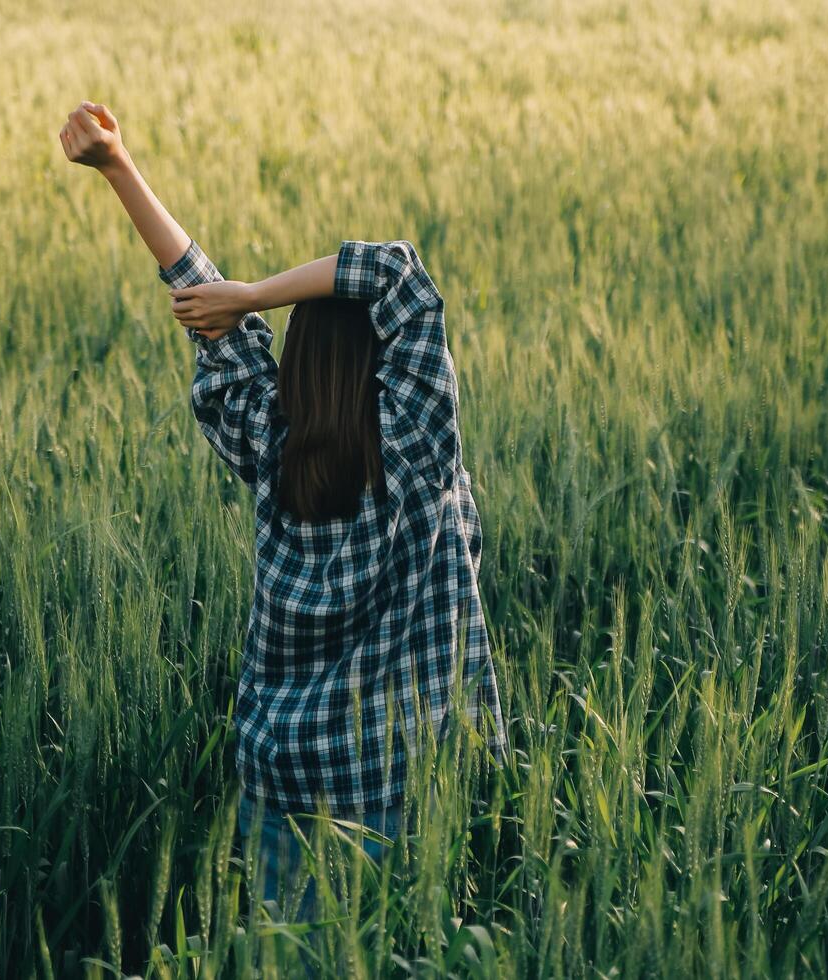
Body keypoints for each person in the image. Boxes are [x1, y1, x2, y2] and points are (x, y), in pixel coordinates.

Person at [58, 101, 506, 935]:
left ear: (293, 358)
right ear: (391, 364)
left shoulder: (268, 443)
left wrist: (121, 168)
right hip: (404, 782)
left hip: (282, 773)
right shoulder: (418, 449)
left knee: (289, 950)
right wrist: (258, 291)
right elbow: (397, 275)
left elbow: (208, 316)